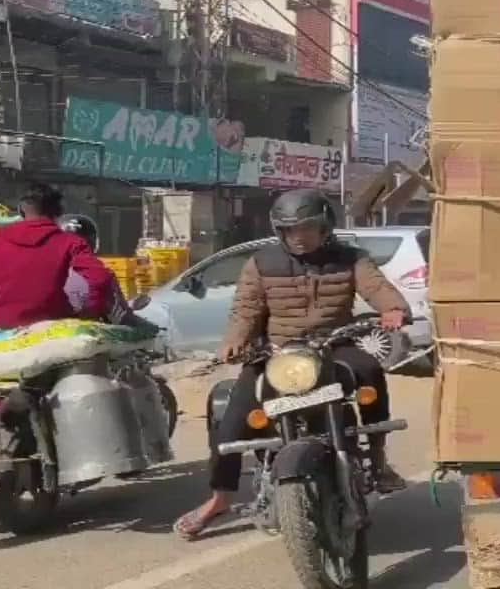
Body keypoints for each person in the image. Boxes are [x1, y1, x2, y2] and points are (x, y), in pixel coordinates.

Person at [174, 189, 410, 540]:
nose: (298, 237)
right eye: (290, 230)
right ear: (279, 231)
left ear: (325, 226)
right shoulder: (261, 263)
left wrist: (393, 309)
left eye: (307, 228)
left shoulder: (351, 258)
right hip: (278, 352)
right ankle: (220, 499)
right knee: (232, 418)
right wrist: (235, 340)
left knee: (370, 371)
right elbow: (246, 309)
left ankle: (377, 457)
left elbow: (377, 287)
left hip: (333, 344)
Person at [0, 183, 111, 329]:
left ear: (22, 211)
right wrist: (90, 313)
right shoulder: (71, 242)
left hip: (1, 326)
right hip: (51, 327)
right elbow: (100, 278)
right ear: (58, 213)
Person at [58, 213, 158, 330]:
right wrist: (150, 328)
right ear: (94, 244)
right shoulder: (99, 275)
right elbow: (122, 318)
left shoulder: (39, 271)